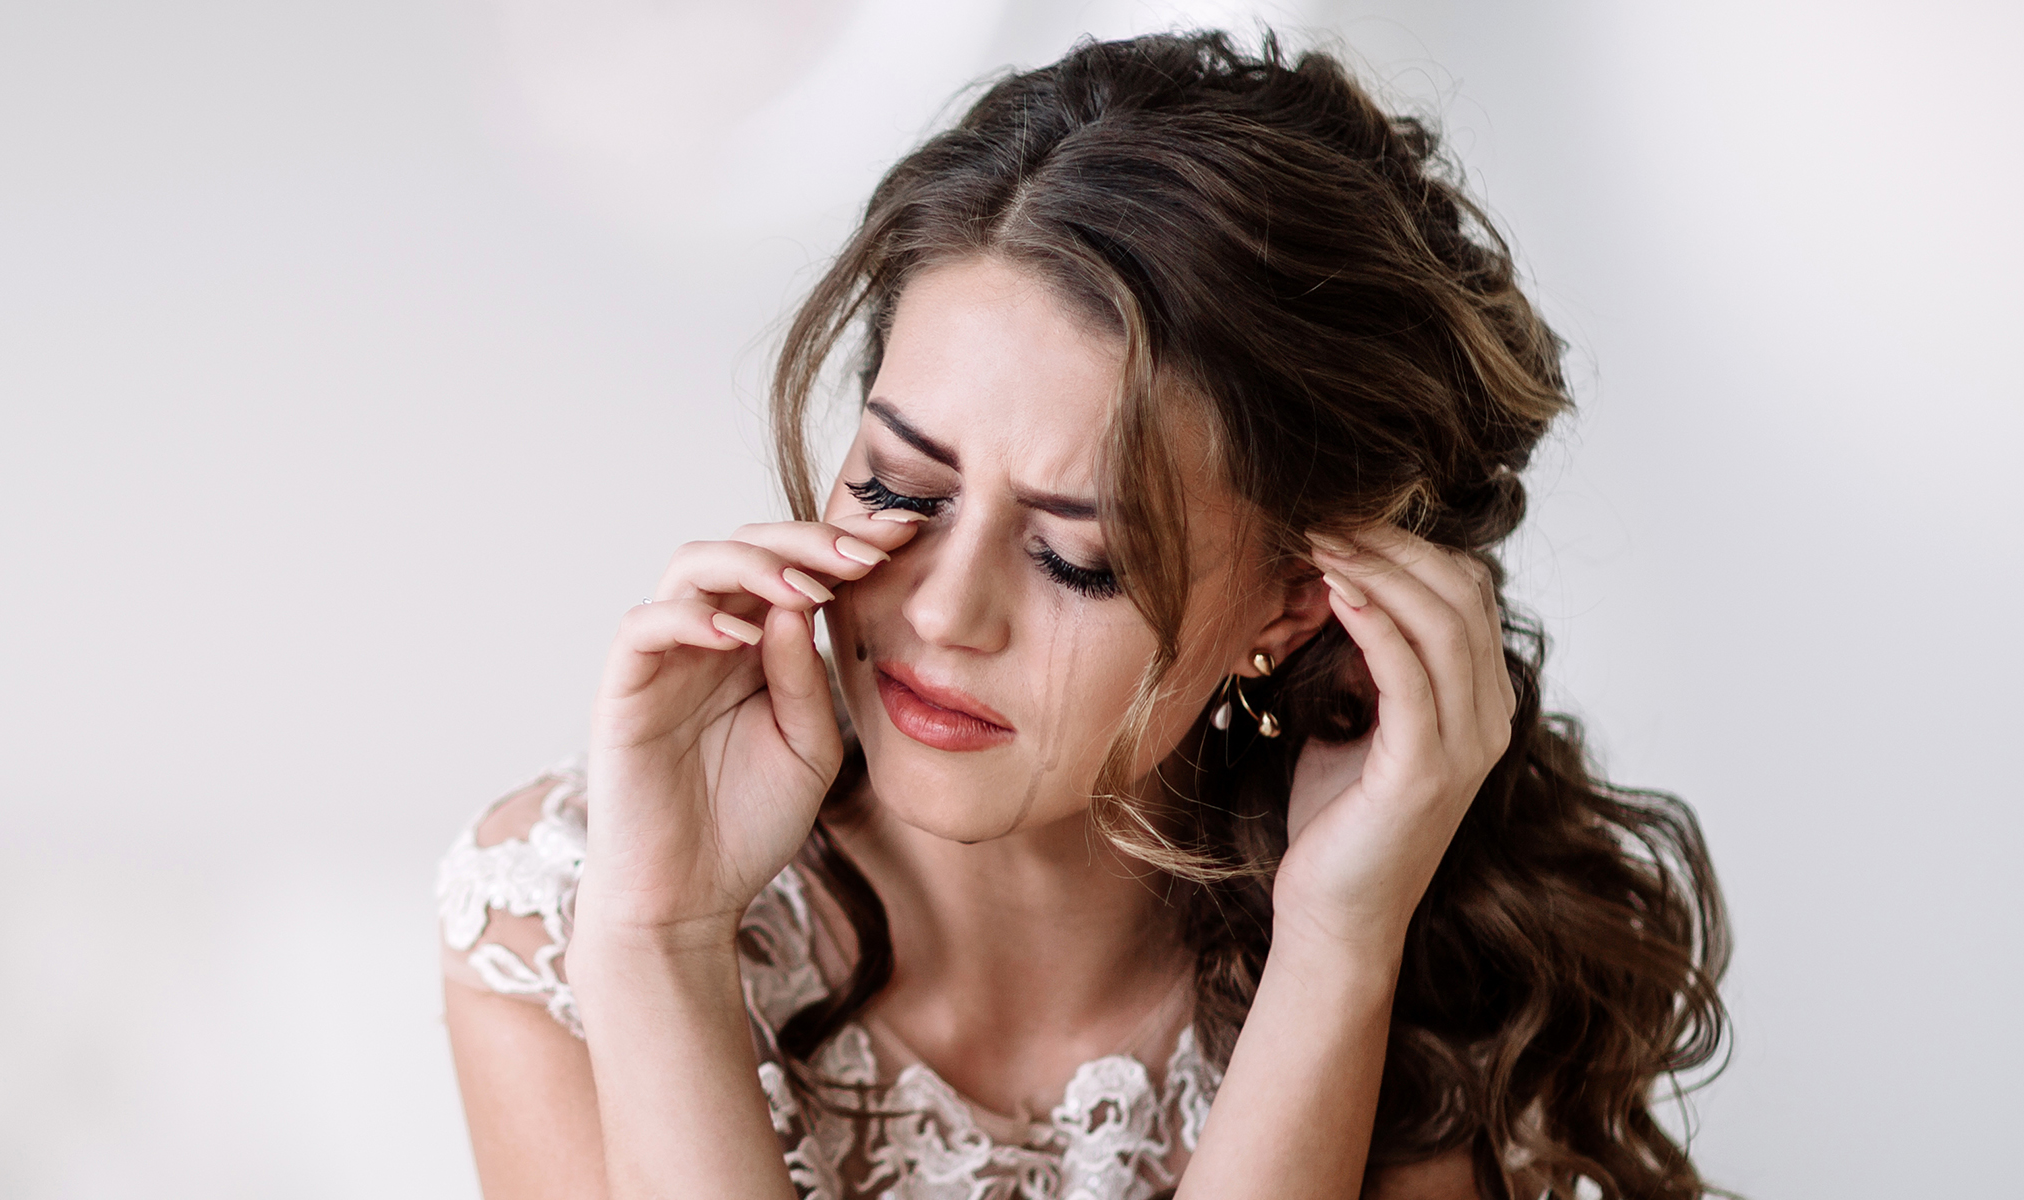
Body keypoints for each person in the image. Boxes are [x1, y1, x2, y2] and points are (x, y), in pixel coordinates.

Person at [436, 30, 1728, 1200]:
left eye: (1077, 559)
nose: (943, 610)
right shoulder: (554, 915)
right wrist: (660, 940)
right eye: (898, 485)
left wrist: (1334, 952)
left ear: (1292, 603)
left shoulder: (1430, 961)